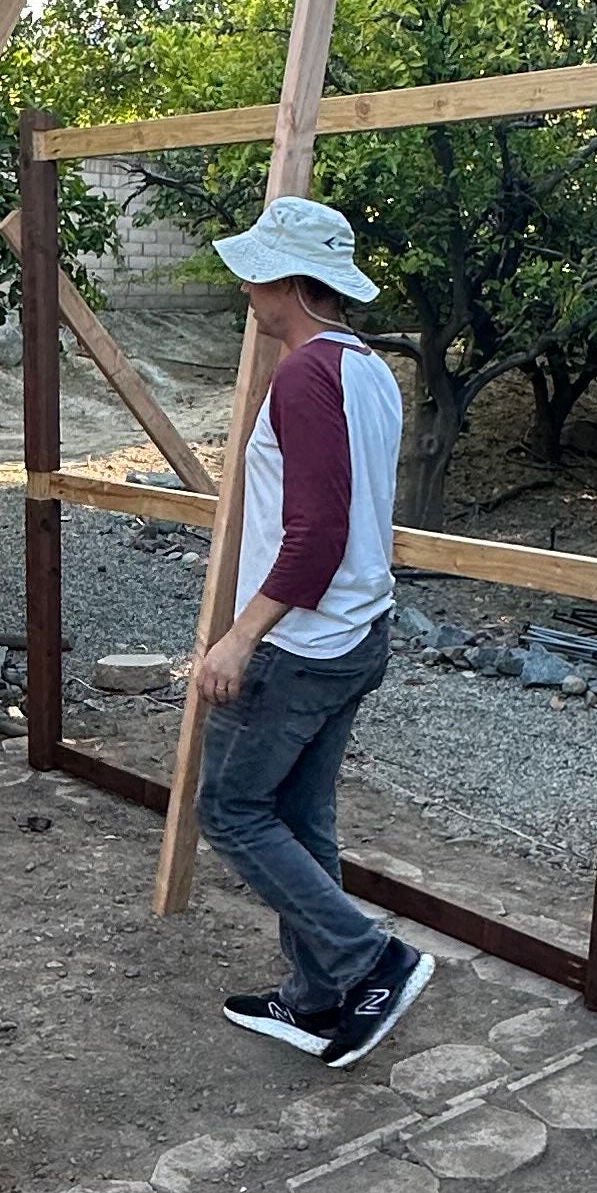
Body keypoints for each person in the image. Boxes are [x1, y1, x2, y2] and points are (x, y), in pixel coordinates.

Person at [189, 194, 434, 1067]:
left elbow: (317, 533)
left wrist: (240, 636)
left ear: (291, 282)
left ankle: (371, 961)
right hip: (357, 631)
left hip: (303, 643)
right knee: (298, 812)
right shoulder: (371, 370)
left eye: (258, 275)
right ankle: (320, 997)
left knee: (230, 809)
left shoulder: (302, 376)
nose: (247, 289)